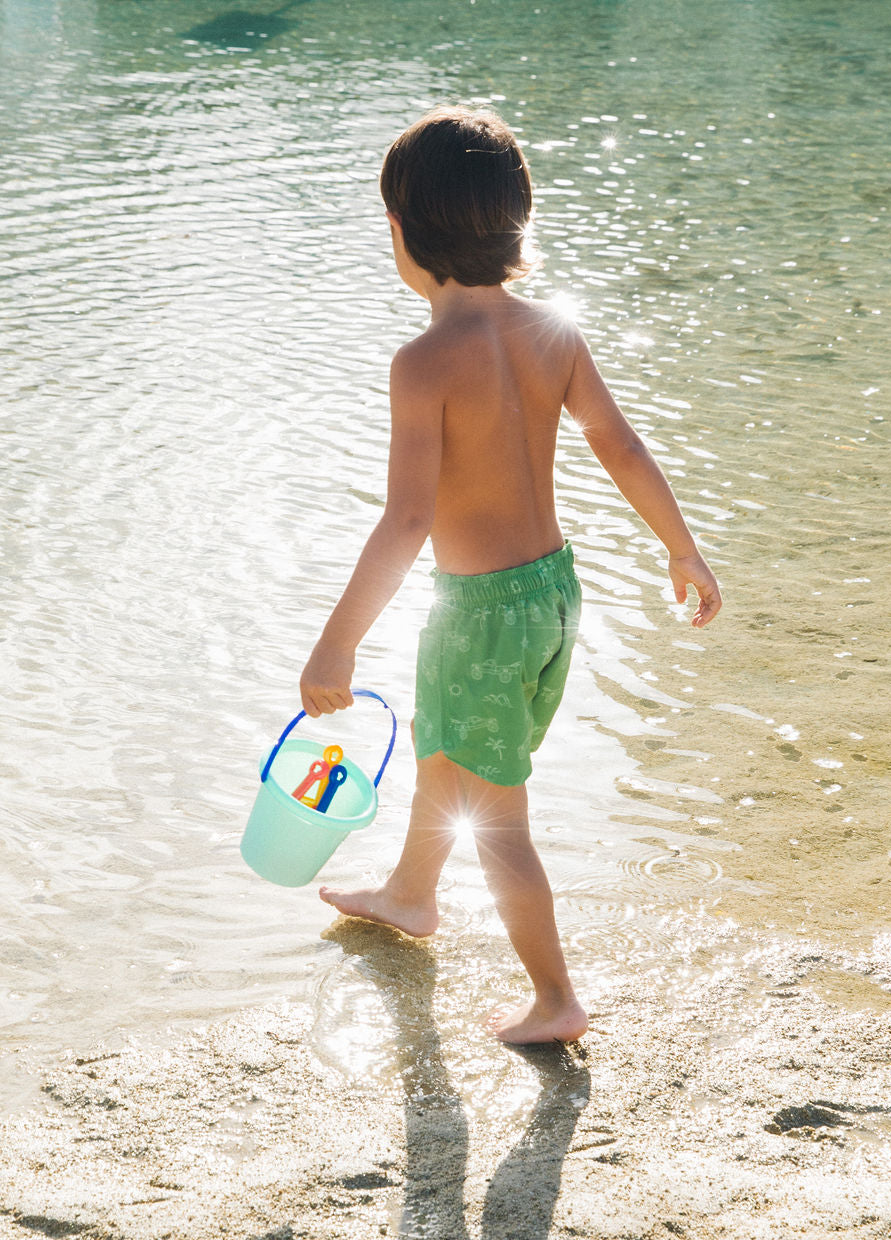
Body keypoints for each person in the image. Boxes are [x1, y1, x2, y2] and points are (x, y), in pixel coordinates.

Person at [300, 105, 721, 1045]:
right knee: (451, 754)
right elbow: (619, 443)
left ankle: (554, 999)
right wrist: (680, 546)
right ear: (514, 226)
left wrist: (338, 639)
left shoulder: (423, 363)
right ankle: (411, 893)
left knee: (495, 815)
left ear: (399, 234)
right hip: (554, 594)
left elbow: (408, 517)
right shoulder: (552, 332)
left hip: (479, 615)